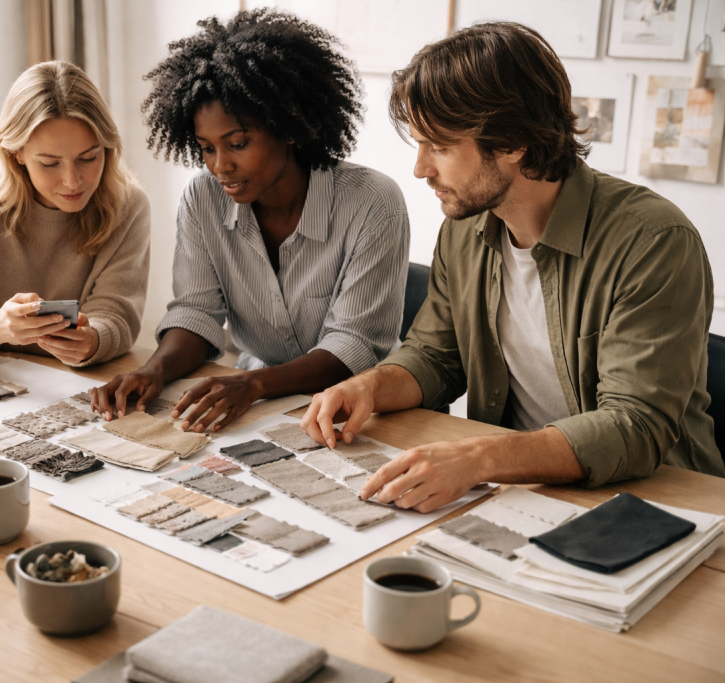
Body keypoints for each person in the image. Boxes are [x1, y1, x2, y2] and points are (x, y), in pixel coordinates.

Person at [302, 22, 724, 512]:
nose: (420, 169)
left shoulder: (653, 242)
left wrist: (478, 457)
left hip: (660, 502)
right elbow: (437, 357)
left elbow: (635, 425)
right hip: (522, 490)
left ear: (512, 142)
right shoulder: (464, 227)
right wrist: (369, 385)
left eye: (438, 146)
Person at [93, 9, 409, 433]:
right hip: (263, 403)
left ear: (290, 127)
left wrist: (252, 382)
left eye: (237, 143)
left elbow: (353, 345)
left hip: (368, 409)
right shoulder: (202, 199)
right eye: (206, 148)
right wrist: (154, 371)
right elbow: (196, 313)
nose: (220, 166)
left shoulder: (371, 202)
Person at [0, 61, 150, 367]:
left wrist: (93, 341)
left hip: (82, 381)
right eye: (50, 163)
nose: (73, 181)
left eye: (89, 158)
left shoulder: (128, 206)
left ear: (107, 147)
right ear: (16, 154)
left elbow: (116, 316)